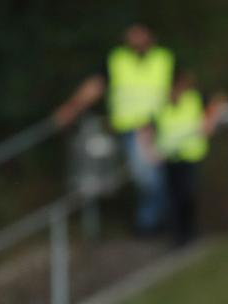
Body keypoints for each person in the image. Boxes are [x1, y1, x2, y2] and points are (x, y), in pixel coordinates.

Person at [53, 24, 174, 234]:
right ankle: (152, 223)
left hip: (159, 128)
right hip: (130, 129)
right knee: (146, 176)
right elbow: (95, 86)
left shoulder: (164, 58)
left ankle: (153, 222)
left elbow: (180, 88)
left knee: (152, 177)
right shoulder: (117, 59)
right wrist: (71, 108)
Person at [144, 72, 226, 246]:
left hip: (190, 155)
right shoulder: (160, 104)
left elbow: (218, 101)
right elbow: (147, 127)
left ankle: (190, 232)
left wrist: (209, 122)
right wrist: (150, 150)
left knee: (187, 195)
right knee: (172, 197)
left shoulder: (194, 99)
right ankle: (177, 235)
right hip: (169, 157)